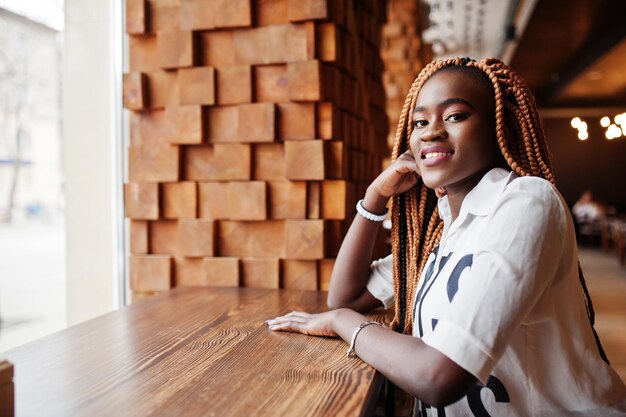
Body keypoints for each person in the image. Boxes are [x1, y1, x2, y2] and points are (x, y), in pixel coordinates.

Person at [266, 57, 626, 416]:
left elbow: (438, 377)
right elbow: (344, 296)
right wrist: (376, 195)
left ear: (499, 126)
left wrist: (342, 324)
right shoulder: (442, 228)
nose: (431, 131)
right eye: (420, 121)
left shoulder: (525, 202)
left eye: (454, 116)